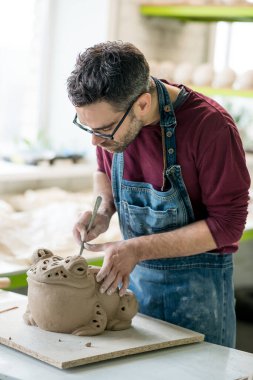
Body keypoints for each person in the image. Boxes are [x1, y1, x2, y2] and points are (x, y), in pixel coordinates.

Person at [67, 41, 250, 347]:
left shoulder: (211, 128)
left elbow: (229, 224)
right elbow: (103, 169)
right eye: (88, 128)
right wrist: (103, 211)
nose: (95, 142)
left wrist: (136, 249)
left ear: (141, 103)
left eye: (105, 130)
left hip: (198, 294)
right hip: (136, 288)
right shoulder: (112, 130)